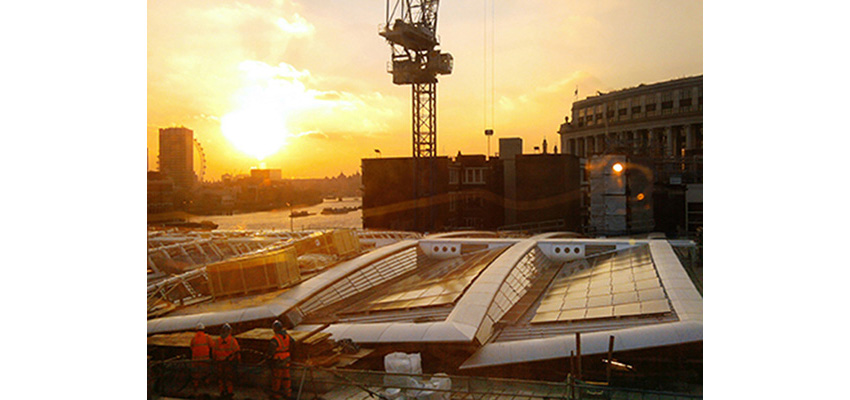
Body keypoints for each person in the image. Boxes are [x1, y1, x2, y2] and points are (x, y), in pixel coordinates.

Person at [212, 323, 240, 399]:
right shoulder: (232, 341)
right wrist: (238, 362)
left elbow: (214, 352)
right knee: (229, 379)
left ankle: (222, 392)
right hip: (229, 364)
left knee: (221, 378)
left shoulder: (217, 341)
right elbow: (237, 352)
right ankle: (229, 392)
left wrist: (215, 361)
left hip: (219, 363)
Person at [268, 320, 292, 400]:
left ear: (274, 329)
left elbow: (271, 351)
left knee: (277, 378)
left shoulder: (275, 339)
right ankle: (287, 393)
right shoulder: (287, 336)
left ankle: (275, 395)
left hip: (278, 360)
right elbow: (293, 343)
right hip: (287, 359)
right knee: (286, 376)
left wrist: (268, 357)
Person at [189, 323, 213, 393]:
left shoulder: (193, 338)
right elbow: (212, 346)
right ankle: (206, 384)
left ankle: (195, 385)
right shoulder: (207, 337)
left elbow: (191, 347)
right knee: (206, 371)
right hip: (205, 359)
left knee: (196, 372)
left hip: (195, 359)